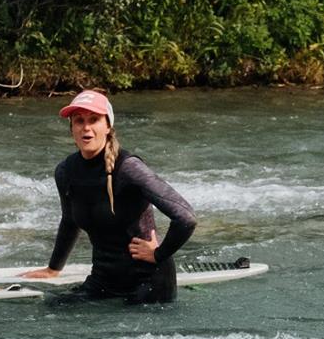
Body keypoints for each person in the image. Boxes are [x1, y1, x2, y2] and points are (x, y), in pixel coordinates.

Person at [21, 90, 197, 302]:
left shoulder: (129, 168)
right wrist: (53, 269)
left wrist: (158, 254)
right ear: (72, 129)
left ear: (108, 127)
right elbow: (69, 222)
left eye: (94, 120)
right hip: (103, 281)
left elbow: (185, 217)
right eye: (79, 121)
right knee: (51, 309)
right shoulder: (66, 171)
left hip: (148, 283)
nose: (86, 127)